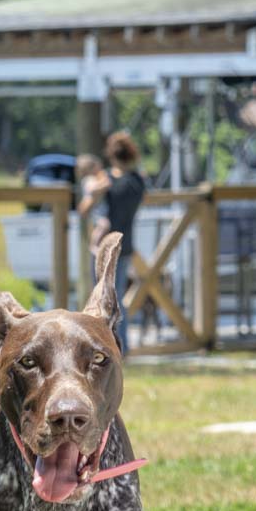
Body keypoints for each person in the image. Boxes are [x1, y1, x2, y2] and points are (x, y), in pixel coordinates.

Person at [87, 131, 145, 354]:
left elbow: (90, 201)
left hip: (104, 246)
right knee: (118, 298)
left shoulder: (108, 180)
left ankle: (106, 345)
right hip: (126, 244)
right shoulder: (138, 181)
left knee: (102, 298)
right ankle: (122, 346)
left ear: (111, 154)